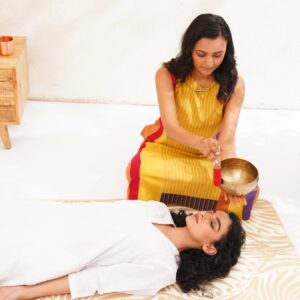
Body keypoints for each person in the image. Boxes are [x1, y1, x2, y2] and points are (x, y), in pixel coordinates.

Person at [126, 13, 259, 220]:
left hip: (207, 157)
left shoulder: (235, 84)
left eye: (217, 55)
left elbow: (227, 137)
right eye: (201, 54)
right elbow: (171, 128)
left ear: (227, 51)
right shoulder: (166, 74)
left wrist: (229, 176)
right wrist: (200, 142)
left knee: (245, 193)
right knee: (143, 171)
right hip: (166, 149)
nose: (208, 62)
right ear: (190, 48)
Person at [0, 199, 245, 299]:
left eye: (213, 223)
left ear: (209, 248)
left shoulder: (162, 266)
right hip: (43, 216)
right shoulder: (157, 209)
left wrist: (22, 292)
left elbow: (94, 279)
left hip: (43, 252)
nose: (205, 215)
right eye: (212, 212)